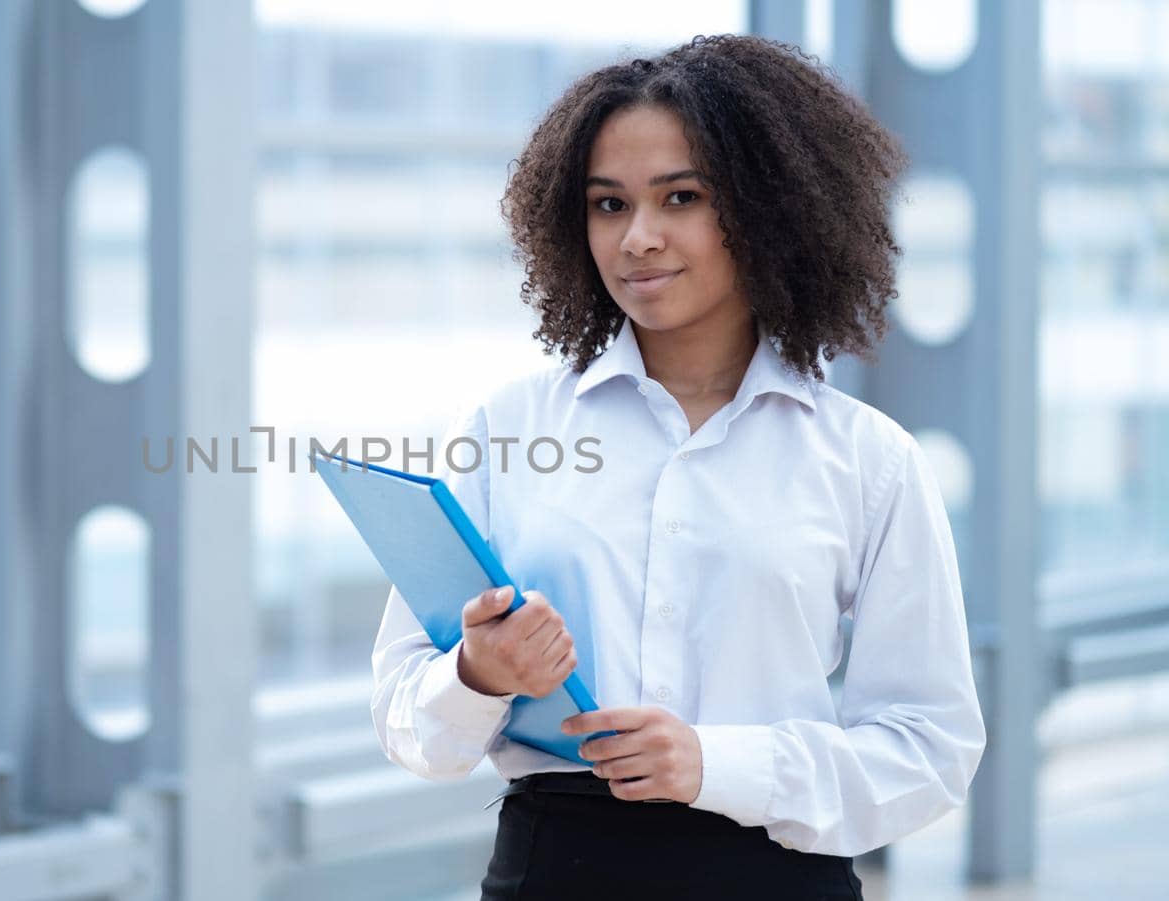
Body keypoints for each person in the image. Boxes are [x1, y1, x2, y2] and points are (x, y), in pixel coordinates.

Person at [368, 34, 986, 899]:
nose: (639, 239)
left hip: (773, 874)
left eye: (682, 197)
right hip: (554, 870)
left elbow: (930, 745)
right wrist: (479, 675)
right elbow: (410, 727)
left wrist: (714, 761)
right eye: (609, 204)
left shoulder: (868, 461)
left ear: (771, 208)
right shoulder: (505, 429)